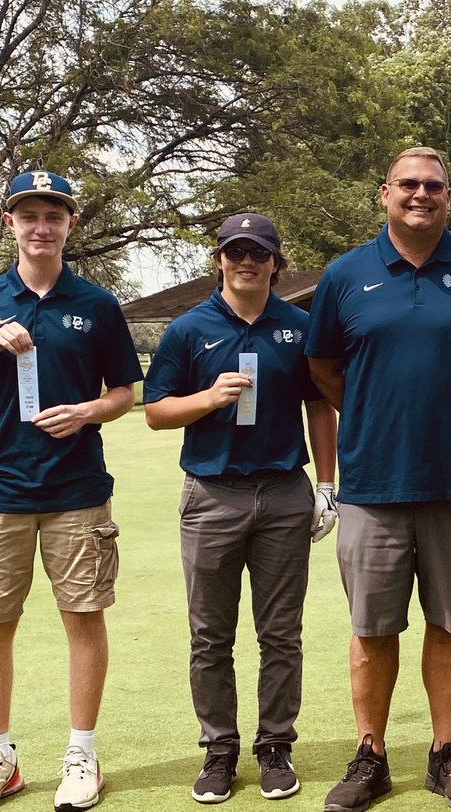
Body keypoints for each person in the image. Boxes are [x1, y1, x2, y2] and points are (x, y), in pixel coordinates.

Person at [304, 147, 451, 812]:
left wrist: (448, 411)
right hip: (372, 484)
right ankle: (370, 755)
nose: (421, 195)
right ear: (384, 193)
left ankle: (445, 755)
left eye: (434, 186)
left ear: (448, 197)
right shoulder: (346, 276)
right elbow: (323, 368)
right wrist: (376, 413)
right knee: (372, 629)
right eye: (408, 185)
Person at [0, 170, 143, 812]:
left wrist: (85, 412)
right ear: (11, 226)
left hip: (77, 488)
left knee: (83, 619)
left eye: (53, 216)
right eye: (29, 216)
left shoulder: (98, 305)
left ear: (69, 225)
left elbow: (123, 393)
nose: (41, 227)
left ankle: (81, 752)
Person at [142, 213, 337, 804]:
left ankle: (275, 745)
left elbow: (321, 409)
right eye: (235, 252)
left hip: (283, 492)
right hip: (211, 495)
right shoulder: (189, 329)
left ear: (276, 261)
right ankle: (219, 750)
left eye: (258, 252)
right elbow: (155, 411)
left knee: (281, 634)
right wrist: (209, 397)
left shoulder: (300, 327)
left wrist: (326, 486)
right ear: (219, 259)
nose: (246, 261)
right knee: (211, 635)